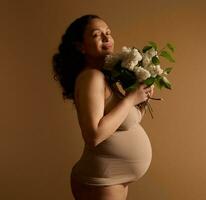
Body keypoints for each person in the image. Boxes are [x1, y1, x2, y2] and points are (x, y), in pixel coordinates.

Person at [52, 14, 154, 200]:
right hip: (101, 180)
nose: (107, 38)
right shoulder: (91, 77)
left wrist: (142, 97)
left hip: (112, 179)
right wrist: (130, 99)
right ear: (80, 46)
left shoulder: (105, 76)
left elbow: (124, 122)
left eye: (108, 33)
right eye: (97, 35)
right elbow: (94, 135)